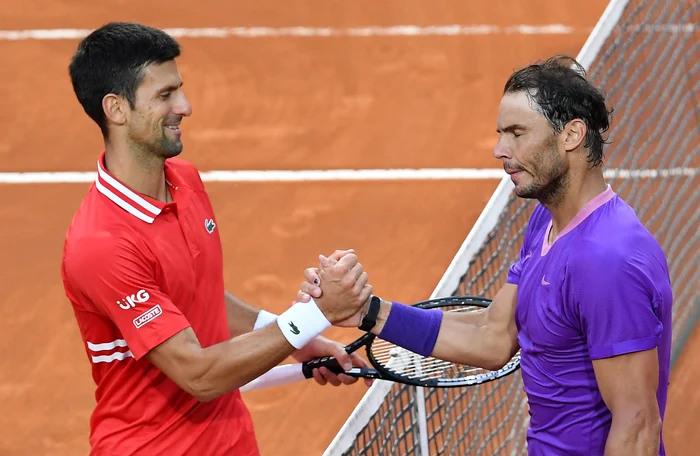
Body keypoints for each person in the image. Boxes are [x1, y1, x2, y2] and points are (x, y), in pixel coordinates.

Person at [299, 56, 673, 456]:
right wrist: (365, 312)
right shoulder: (547, 224)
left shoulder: (605, 261)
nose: (499, 149)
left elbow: (636, 427)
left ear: (572, 135)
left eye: (516, 133)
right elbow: (493, 336)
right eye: (500, 134)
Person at [60, 22, 373, 456]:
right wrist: (312, 318)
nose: (185, 106)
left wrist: (296, 340)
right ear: (116, 108)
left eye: (180, 90)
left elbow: (195, 295)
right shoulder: (102, 243)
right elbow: (199, 375)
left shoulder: (184, 181)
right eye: (165, 94)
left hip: (232, 442)